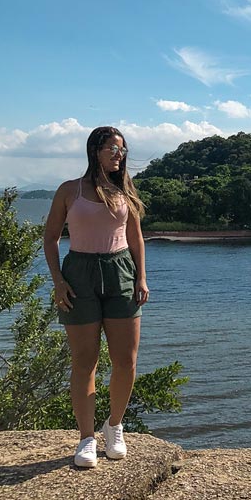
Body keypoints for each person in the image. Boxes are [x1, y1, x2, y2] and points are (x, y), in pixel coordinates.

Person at [44, 126, 149, 468]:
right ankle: (86, 438)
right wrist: (58, 281)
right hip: (79, 275)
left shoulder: (124, 191)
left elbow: (135, 238)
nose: (119, 155)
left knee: (126, 361)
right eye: (113, 149)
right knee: (84, 361)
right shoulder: (69, 191)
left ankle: (114, 426)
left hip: (120, 273)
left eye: (122, 150)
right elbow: (50, 239)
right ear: (95, 150)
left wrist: (141, 278)